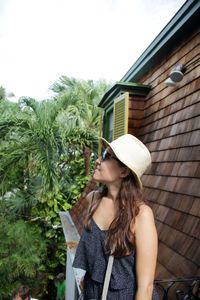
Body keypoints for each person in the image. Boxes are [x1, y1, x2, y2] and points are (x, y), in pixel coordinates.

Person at [73, 134, 159, 299]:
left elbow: (145, 288)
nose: (98, 160)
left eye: (106, 156)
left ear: (124, 171)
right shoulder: (93, 200)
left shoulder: (141, 215)